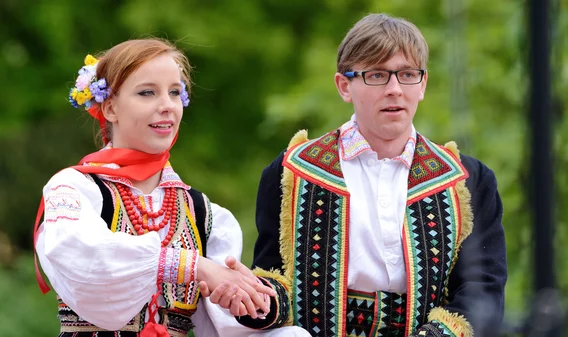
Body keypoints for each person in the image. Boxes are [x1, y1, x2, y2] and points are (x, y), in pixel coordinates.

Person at [211, 13, 507, 337]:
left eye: (407, 74)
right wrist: (252, 298)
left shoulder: (465, 180)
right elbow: (278, 282)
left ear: (423, 84)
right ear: (344, 86)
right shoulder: (293, 172)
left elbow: (482, 292)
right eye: (377, 75)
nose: (394, 89)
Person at [33, 38, 279, 337]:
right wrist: (193, 266)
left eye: (175, 92)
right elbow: (84, 259)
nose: (166, 106)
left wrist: (244, 301)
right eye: (147, 92)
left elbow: (226, 328)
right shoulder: (75, 189)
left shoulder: (203, 213)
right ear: (110, 108)